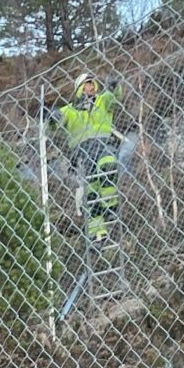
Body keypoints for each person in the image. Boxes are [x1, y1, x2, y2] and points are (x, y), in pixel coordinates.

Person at [58, 73, 120, 242]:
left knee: (108, 166)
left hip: (103, 145)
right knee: (91, 194)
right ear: (79, 88)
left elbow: (113, 98)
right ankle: (97, 235)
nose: (91, 87)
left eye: (92, 84)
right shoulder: (69, 110)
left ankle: (110, 206)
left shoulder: (102, 101)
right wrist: (50, 116)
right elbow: (55, 121)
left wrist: (114, 87)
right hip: (83, 153)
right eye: (87, 84)